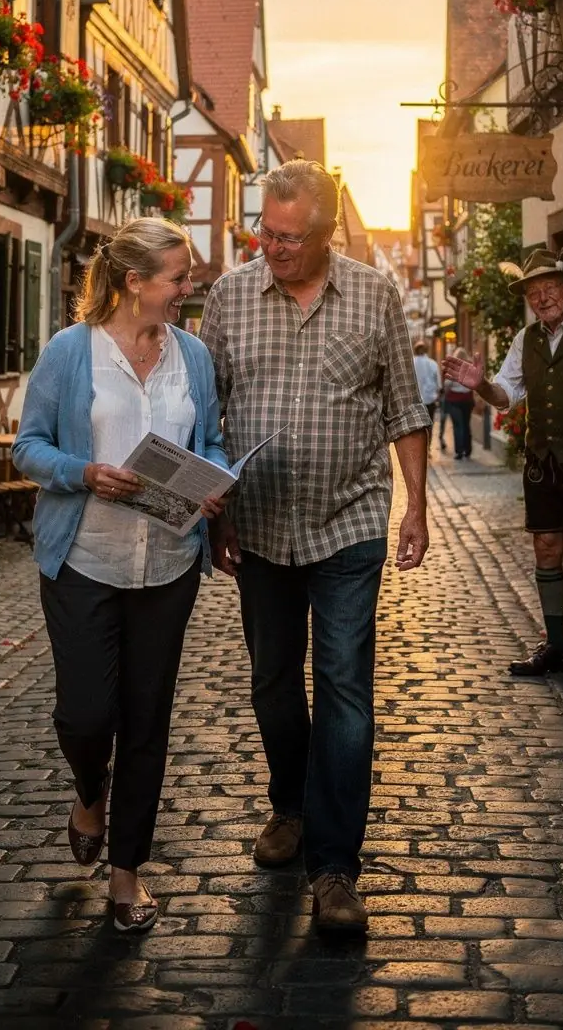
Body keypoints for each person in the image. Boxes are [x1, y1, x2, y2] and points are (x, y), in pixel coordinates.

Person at [200, 159, 430, 935]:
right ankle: (289, 805)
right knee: (271, 682)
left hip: (349, 522)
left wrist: (418, 507)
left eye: (289, 237)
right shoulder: (231, 296)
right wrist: (216, 514)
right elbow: (211, 412)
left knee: (343, 690)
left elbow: (403, 404)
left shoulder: (373, 294)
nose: (273, 247)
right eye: (264, 231)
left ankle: (335, 868)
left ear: (328, 233)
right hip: (260, 525)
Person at [12, 218, 228, 933]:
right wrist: (82, 473)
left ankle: (128, 875)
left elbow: (211, 437)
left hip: (168, 565)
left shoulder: (191, 355)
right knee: (86, 715)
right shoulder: (71, 353)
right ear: (135, 283)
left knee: (146, 723)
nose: (187, 288)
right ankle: (86, 792)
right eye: (177, 277)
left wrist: (216, 480)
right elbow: (29, 448)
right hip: (84, 562)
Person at [443, 248, 563, 688]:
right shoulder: (525, 339)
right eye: (534, 291)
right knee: (546, 548)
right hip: (541, 461)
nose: (543, 297)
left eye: (550, 287)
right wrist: (482, 386)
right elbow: (507, 395)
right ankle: (554, 645)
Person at [443, 347, 475, 460]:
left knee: (457, 425)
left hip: (454, 399)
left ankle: (459, 451)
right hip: (468, 399)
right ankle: (468, 450)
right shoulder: (471, 367)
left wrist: (445, 393)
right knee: (466, 425)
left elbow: (447, 384)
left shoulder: (453, 367)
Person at [412, 342, 442, 438]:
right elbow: (438, 382)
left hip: (415, 401)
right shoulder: (432, 363)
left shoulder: (411, 363)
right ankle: (428, 446)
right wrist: (438, 393)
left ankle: (420, 446)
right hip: (430, 399)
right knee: (429, 423)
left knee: (417, 426)